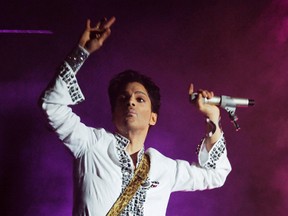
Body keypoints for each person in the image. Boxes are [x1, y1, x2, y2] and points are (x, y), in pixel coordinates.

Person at [40, 16, 231, 216]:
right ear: (114, 113)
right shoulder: (92, 144)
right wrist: (82, 52)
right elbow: (51, 105)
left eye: (140, 99)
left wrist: (212, 118)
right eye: (123, 98)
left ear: (153, 118)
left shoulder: (163, 167)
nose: (130, 102)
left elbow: (215, 174)